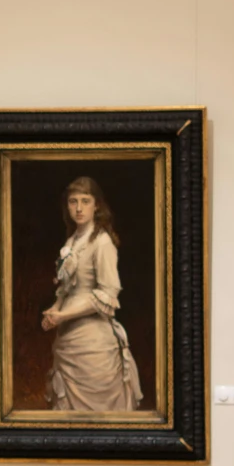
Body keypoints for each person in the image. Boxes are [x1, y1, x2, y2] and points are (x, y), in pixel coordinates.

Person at [42, 176, 143, 413]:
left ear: (96, 205)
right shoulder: (72, 241)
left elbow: (108, 293)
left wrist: (64, 315)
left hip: (93, 339)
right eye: (73, 201)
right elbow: (66, 289)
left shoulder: (102, 242)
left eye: (85, 201)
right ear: (66, 206)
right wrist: (55, 310)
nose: (78, 208)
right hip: (67, 337)